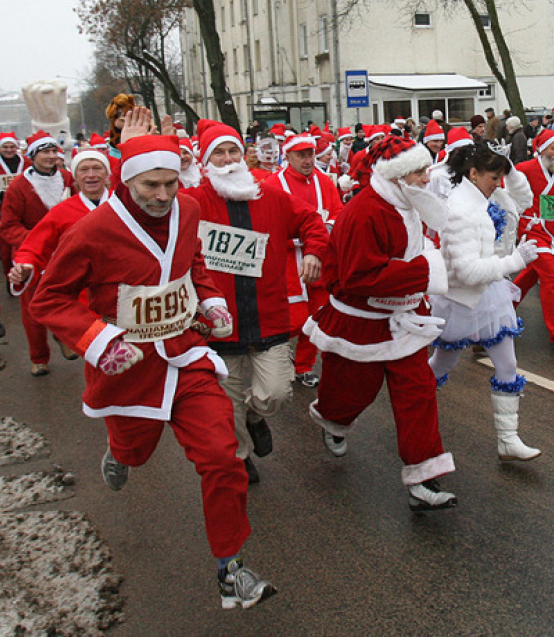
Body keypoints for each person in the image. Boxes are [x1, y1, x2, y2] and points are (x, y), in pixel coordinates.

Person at [29, 132, 276, 608]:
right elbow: (49, 298)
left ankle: (231, 568)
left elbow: (193, 263)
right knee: (135, 452)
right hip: (128, 368)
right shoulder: (91, 230)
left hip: (186, 355)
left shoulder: (188, 210)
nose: (163, 196)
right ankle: (119, 453)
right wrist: (98, 339)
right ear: (128, 181)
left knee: (222, 456)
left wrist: (211, 299)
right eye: (151, 187)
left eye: (169, 184)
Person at [303, 135, 458, 511]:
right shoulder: (365, 212)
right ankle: (333, 420)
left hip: (403, 319)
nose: (427, 178)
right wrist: (428, 268)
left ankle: (424, 477)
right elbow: (361, 276)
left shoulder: (405, 200)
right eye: (420, 171)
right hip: (362, 322)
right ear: (398, 175)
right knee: (351, 392)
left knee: (418, 394)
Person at [183, 118, 327, 484]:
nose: (228, 159)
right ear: (206, 161)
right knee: (226, 402)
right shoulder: (192, 203)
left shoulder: (269, 195)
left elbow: (311, 221)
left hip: (269, 316)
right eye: (219, 153)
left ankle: (255, 416)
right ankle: (241, 457)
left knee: (277, 393)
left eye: (233, 150)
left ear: (244, 156)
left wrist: (313, 251)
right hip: (219, 323)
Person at [427, 141, 541, 460]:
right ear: (474, 173)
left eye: (502, 177)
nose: (499, 183)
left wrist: (510, 165)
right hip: (462, 297)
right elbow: (468, 271)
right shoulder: (460, 210)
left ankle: (508, 438)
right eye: (494, 177)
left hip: (491, 293)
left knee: (507, 364)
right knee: (443, 362)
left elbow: (526, 199)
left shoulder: (490, 195)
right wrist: (515, 261)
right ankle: (410, 405)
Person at [265, 133, 342, 388]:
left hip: (319, 256)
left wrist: (327, 230)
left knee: (318, 317)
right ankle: (279, 363)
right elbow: (265, 225)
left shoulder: (324, 181)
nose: (307, 160)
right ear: (287, 156)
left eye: (310, 154)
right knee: (293, 318)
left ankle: (303, 366)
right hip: (288, 261)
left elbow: (337, 211)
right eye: (301, 155)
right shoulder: (273, 184)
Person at [0, 131, 75, 376]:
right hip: (31, 256)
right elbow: (8, 225)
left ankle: (63, 336)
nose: (52, 156)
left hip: (64, 253)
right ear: (33, 156)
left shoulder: (68, 178)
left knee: (67, 299)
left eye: (54, 151)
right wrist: (37, 241)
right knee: (33, 308)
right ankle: (39, 357)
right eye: (45, 152)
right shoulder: (20, 186)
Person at [512, 129, 554, 346]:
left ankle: (500, 310)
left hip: (549, 232)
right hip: (529, 230)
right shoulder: (524, 170)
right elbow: (503, 191)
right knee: (551, 276)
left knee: (529, 276)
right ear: (542, 150)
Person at [0, 132, 29, 281]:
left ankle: (19, 274)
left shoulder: (27, 163)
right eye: (5, 147)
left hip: (21, 208)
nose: (9, 150)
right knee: (5, 248)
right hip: (1, 208)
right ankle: (9, 275)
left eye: (12, 146)